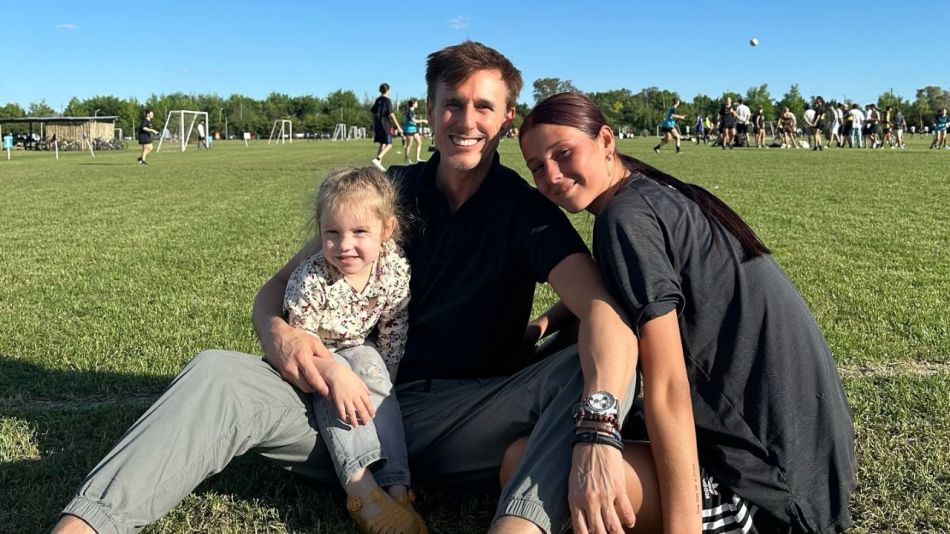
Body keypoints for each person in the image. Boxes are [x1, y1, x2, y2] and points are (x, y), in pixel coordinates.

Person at [53, 41, 639, 534]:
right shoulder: (387, 192)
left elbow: (604, 314)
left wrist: (596, 434)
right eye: (452, 104)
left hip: (458, 418)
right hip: (345, 409)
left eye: (483, 106)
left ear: (507, 118)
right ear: (429, 111)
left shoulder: (525, 213)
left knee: (582, 372)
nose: (466, 120)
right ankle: (84, 526)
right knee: (215, 373)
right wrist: (277, 333)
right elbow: (277, 286)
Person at [517, 91, 857, 534]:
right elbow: (620, 285)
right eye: (537, 167)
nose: (553, 176)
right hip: (817, 465)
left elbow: (669, 386)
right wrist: (546, 322)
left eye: (563, 154)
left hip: (770, 495)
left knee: (523, 464)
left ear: (605, 140)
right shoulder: (652, 194)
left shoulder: (624, 220)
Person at [282, 166, 425, 533]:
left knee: (372, 369)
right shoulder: (311, 279)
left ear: (386, 230)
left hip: (361, 347)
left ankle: (397, 487)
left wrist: (385, 381)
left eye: (359, 232)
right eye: (332, 233)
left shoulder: (392, 269)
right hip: (317, 357)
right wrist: (333, 373)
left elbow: (394, 324)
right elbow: (301, 341)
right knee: (340, 390)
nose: (344, 246)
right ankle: (360, 487)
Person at [371, 83, 403, 171]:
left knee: (382, 143)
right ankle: (377, 159)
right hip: (385, 125)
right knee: (389, 144)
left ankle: (377, 164)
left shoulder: (377, 100)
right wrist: (398, 126)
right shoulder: (387, 100)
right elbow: (391, 114)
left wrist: (375, 125)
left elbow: (373, 112)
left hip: (378, 125)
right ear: (388, 90)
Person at [401, 99, 428, 163]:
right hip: (409, 130)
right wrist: (423, 120)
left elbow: (413, 121)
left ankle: (418, 158)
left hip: (414, 130)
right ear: (413, 104)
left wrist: (415, 123)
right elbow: (413, 121)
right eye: (416, 103)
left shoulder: (412, 111)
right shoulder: (410, 111)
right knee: (409, 144)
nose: (417, 104)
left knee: (419, 142)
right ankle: (406, 159)